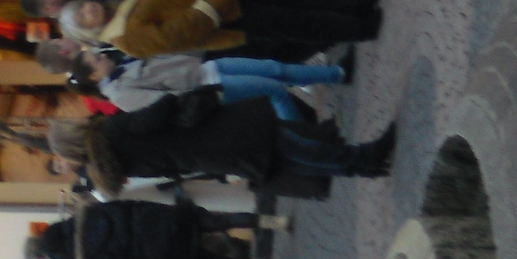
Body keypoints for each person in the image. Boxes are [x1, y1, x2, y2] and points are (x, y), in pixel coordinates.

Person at [44, 0, 382, 62]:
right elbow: (176, 35)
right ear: (87, 32)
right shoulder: (125, 38)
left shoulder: (118, 0)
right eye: (83, 17)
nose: (89, 8)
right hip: (225, 14)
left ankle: (357, 5)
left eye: (83, 6)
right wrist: (207, 7)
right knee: (296, 22)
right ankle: (360, 28)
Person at [84, 91, 395, 196]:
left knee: (289, 156)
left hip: (208, 157)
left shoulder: (121, 167)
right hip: (214, 133)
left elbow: (168, 169)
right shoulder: (111, 131)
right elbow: (156, 115)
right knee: (291, 144)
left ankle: (361, 164)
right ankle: (364, 158)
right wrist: (166, 100)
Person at [27, 197, 282, 259]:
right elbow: (126, 204)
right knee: (219, 221)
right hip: (158, 218)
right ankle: (275, 221)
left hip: (160, 249)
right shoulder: (85, 213)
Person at [79, 47, 348, 124]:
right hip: (209, 87)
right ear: (93, 77)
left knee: (274, 69)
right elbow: (164, 103)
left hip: (207, 68)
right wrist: (201, 93)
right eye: (96, 59)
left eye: (98, 54)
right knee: (275, 90)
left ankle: (335, 73)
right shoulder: (119, 94)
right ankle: (306, 140)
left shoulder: (121, 66)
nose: (102, 56)